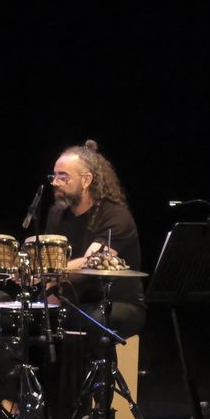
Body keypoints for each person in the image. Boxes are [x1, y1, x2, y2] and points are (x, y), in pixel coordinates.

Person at [44, 139, 146, 344]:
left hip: (118, 303)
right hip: (75, 301)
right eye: (54, 176)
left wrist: (45, 271)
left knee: (93, 320)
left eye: (63, 177)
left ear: (86, 180)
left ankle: (97, 375)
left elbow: (92, 262)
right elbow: (49, 263)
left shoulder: (115, 216)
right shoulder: (57, 214)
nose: (55, 182)